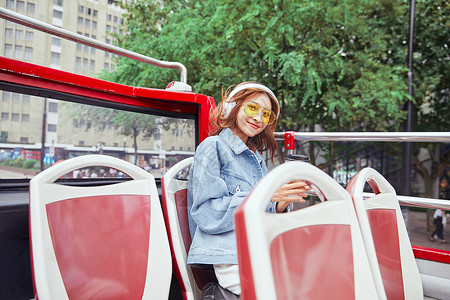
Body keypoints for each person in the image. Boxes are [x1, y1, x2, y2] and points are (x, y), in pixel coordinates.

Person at [187, 82, 310, 296]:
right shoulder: (212, 147)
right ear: (232, 107)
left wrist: (282, 201)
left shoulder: (256, 158)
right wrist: (265, 196)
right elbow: (206, 212)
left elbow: (261, 211)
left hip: (258, 249)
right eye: (252, 108)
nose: (258, 118)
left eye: (266, 115)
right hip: (231, 256)